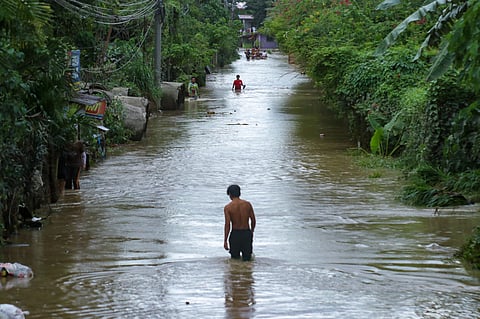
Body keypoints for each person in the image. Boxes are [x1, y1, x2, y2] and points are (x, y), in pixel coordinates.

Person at [224, 184, 256, 261]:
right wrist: (251, 231)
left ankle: (236, 272)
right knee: (247, 259)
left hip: (235, 234)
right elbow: (253, 220)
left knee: (234, 260)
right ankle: (247, 272)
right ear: (239, 193)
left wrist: (225, 240)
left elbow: (227, 225)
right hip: (246, 233)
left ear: (230, 194)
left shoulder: (228, 207)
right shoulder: (247, 204)